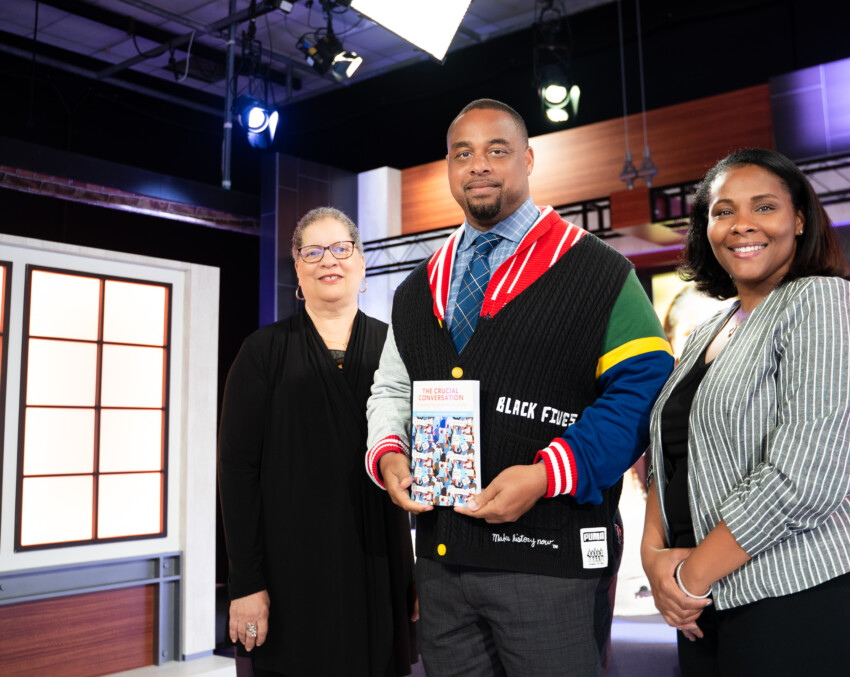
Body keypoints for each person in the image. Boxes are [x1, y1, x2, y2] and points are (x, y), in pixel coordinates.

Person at [364, 99, 675, 677]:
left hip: (550, 566)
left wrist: (545, 474)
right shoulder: (415, 291)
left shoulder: (600, 272)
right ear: (449, 169)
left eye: (497, 150)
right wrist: (390, 456)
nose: (478, 165)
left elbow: (643, 389)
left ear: (529, 159)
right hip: (442, 567)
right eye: (463, 153)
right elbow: (391, 390)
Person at [641, 148, 850, 676]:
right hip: (714, 595)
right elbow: (672, 453)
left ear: (798, 220)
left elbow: (805, 475)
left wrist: (691, 576)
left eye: (763, 207)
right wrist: (654, 557)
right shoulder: (708, 329)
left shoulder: (822, 301)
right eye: (723, 211)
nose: (742, 224)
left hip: (818, 587)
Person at [218, 207, 417, 676]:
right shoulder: (262, 352)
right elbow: (236, 471)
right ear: (298, 271)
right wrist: (245, 583)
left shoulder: (398, 347)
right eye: (312, 251)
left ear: (361, 263)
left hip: (377, 557)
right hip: (289, 568)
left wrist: (420, 573)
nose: (328, 260)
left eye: (341, 248)